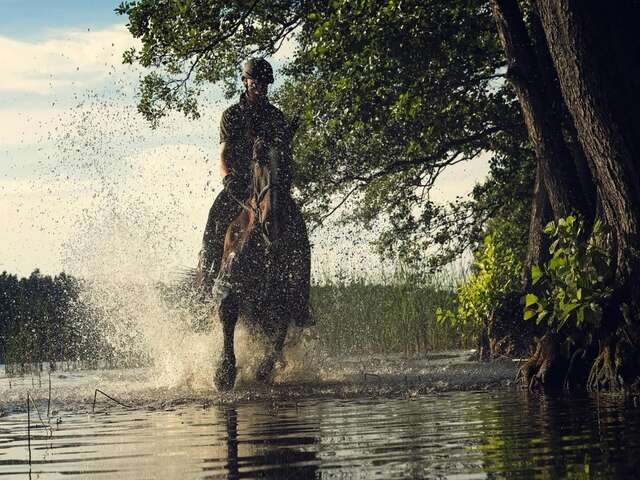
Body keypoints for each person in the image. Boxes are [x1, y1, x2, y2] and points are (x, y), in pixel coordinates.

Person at [195, 58, 291, 297]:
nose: (260, 86)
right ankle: (207, 284)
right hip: (239, 186)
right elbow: (224, 154)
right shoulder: (232, 115)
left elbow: (284, 156)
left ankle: (299, 298)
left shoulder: (276, 117)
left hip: (268, 187)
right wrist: (227, 178)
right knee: (214, 222)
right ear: (245, 82)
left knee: (297, 231)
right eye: (255, 82)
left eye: (264, 83)